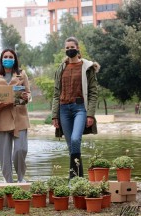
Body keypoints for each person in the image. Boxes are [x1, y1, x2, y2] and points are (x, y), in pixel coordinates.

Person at [51, 37, 100, 180]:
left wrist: (90, 114)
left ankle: (74, 178)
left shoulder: (87, 67)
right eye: (66, 48)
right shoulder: (61, 68)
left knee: (74, 140)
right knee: (70, 147)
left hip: (80, 109)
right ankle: (79, 178)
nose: (69, 50)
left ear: (78, 48)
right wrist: (55, 115)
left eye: (71, 47)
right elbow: (56, 93)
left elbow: (93, 92)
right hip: (64, 109)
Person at [0, 48, 31, 183]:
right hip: (3, 117)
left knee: (21, 149)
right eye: (5, 57)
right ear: (1, 59)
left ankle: (20, 178)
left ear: (15, 59)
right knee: (5, 154)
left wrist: (25, 96)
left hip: (20, 117)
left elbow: (28, 94)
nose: (8, 59)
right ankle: (9, 181)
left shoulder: (22, 74)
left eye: (10, 57)